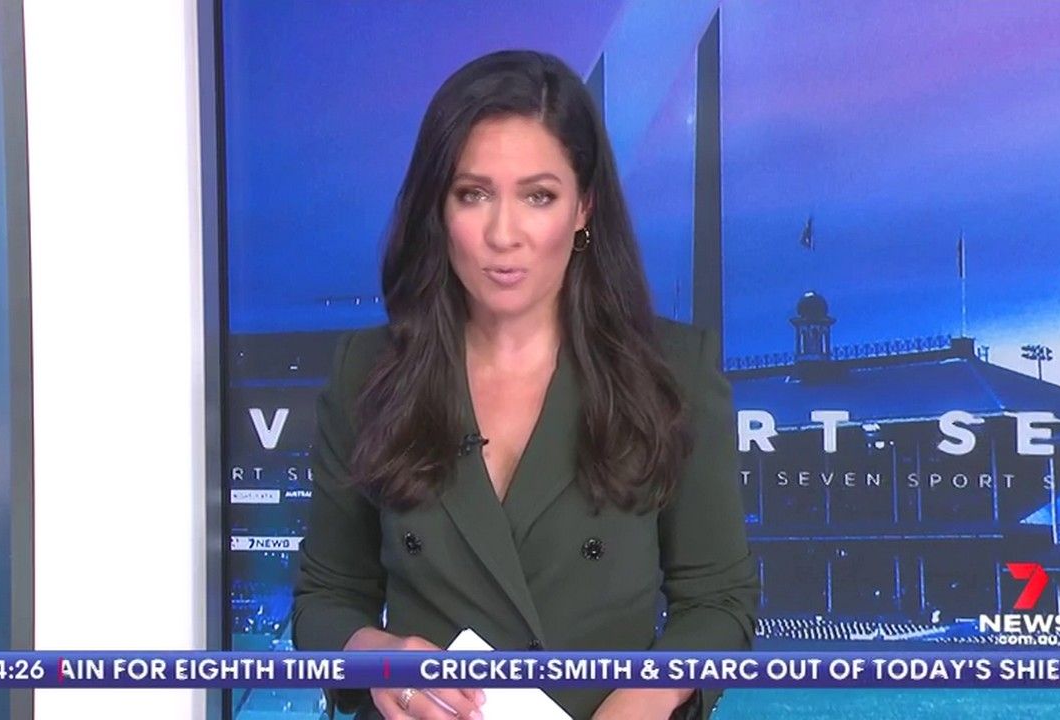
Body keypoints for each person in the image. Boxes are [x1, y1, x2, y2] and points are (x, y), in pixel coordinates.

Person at [292, 49, 759, 720]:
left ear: (583, 207)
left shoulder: (674, 372)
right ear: (438, 207)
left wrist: (648, 695)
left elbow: (719, 602)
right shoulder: (367, 371)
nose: (502, 234)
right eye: (473, 194)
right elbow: (327, 598)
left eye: (538, 196)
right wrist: (380, 659)